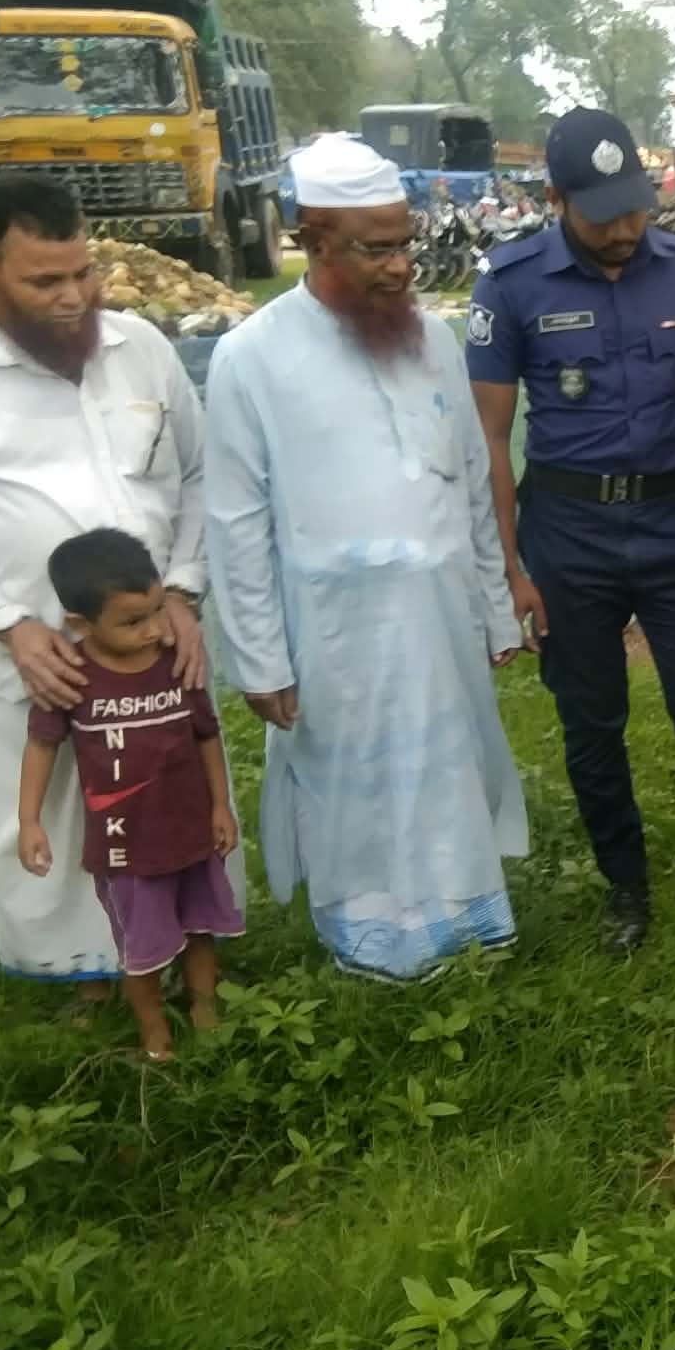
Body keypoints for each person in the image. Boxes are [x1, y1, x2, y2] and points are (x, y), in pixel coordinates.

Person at [204, 134, 527, 983]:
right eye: (374, 248)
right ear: (312, 239)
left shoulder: (435, 343)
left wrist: (494, 605)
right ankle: (373, 940)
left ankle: (466, 922)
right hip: (334, 628)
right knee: (358, 781)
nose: (398, 267)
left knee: (448, 762)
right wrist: (260, 659)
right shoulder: (251, 357)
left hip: (442, 615)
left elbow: (470, 484)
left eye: (402, 243)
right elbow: (235, 522)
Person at [467, 108, 675, 954]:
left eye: (636, 208)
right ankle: (626, 889)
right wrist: (511, 567)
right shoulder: (510, 281)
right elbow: (489, 435)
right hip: (567, 532)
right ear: (558, 199)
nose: (627, 230)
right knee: (591, 721)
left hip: (674, 524)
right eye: (605, 216)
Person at [0, 173, 212, 1005]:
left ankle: (180, 955)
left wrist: (183, 593)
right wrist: (8, 622)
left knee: (166, 799)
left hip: (155, 644)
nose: (73, 297)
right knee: (43, 813)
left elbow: (197, 475)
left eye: (81, 272)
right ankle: (71, 984)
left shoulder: (140, 350)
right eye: (44, 280)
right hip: (34, 657)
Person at [18, 529, 241, 1059]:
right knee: (141, 949)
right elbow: (42, 746)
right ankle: (154, 1036)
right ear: (80, 623)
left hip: (190, 830)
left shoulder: (176, 662)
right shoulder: (72, 676)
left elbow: (205, 734)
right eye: (133, 622)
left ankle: (205, 1011)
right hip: (126, 849)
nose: (153, 630)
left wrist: (220, 805)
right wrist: (29, 821)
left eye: (158, 610)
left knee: (201, 926)